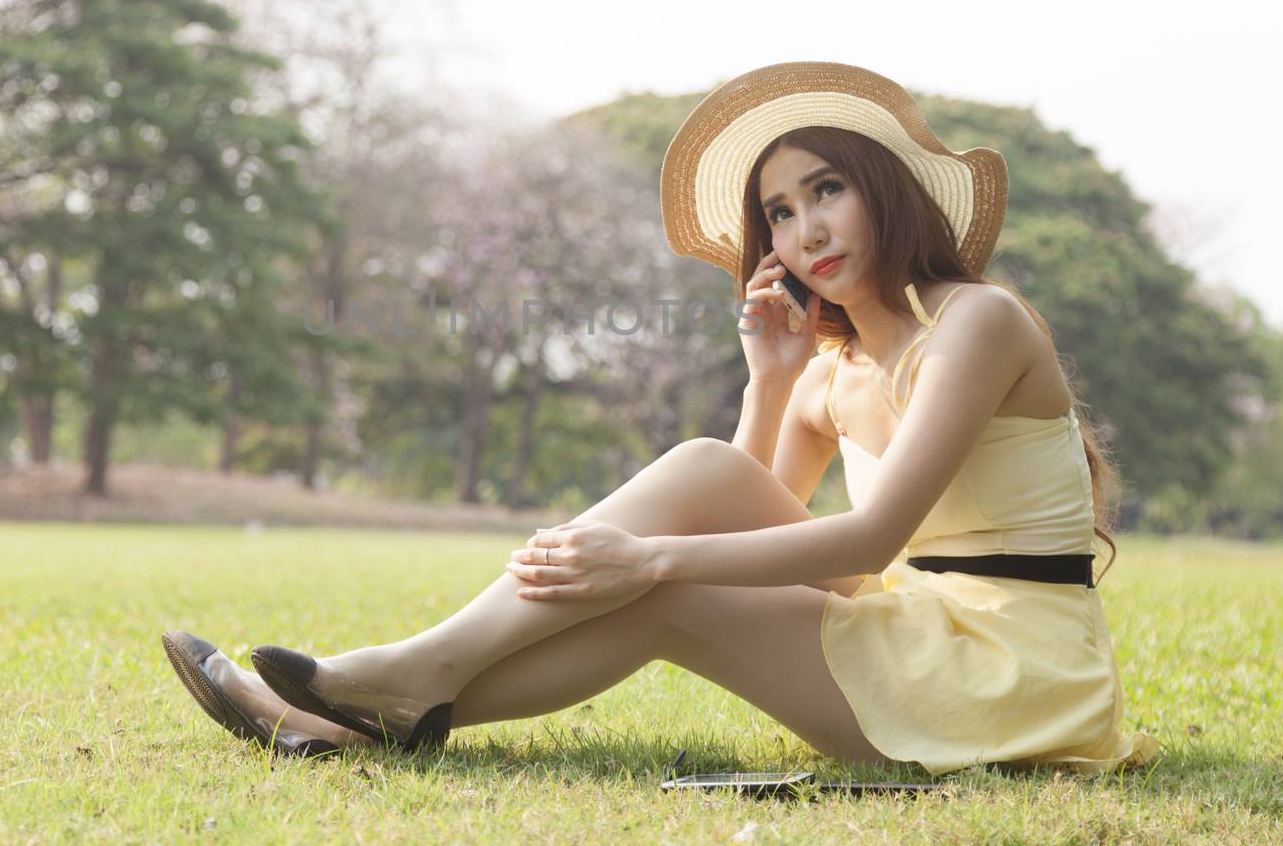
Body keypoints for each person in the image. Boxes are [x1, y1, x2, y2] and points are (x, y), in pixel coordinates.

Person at [163, 60, 1160, 775]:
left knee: (657, 572)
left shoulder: (976, 322)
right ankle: (361, 711)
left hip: (1010, 676)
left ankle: (404, 678)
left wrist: (647, 561)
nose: (805, 227)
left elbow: (869, 537)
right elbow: (743, 518)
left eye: (827, 189)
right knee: (668, 553)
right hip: (910, 638)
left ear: (885, 190)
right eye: (778, 211)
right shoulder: (825, 371)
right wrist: (766, 381)